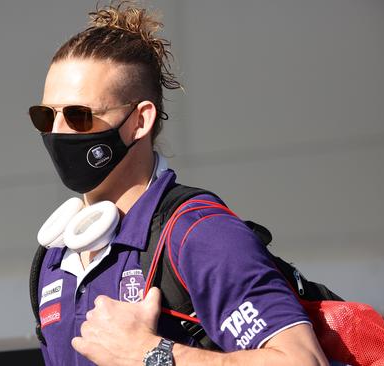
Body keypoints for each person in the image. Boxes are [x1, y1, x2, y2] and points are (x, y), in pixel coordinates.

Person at [28, 2, 329, 365]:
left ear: (139, 121)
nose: (57, 132)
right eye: (46, 116)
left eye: (78, 116)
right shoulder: (54, 258)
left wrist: (150, 354)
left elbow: (301, 361)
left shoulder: (201, 235)